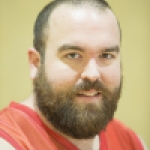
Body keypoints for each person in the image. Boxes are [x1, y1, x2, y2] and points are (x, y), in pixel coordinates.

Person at [0, 0, 148, 150]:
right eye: (73, 55)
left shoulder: (132, 143)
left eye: (106, 55)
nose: (92, 74)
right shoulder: (8, 142)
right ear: (36, 63)